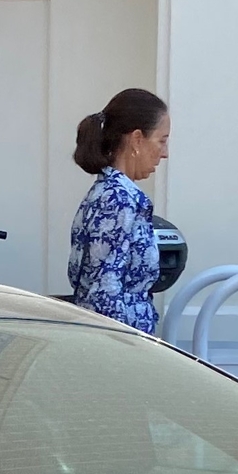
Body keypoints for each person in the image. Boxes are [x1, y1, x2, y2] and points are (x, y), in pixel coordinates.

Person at [67, 88, 170, 333]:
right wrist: (126, 349)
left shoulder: (109, 192)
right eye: (161, 141)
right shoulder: (119, 199)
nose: (164, 153)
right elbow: (104, 289)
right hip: (120, 347)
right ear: (136, 140)